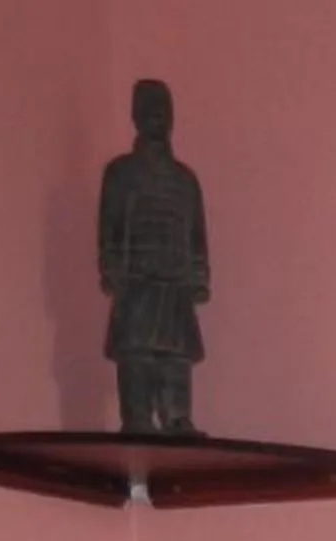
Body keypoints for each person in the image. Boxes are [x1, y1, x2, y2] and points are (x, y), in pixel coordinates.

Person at [99, 79, 208, 435]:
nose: (158, 116)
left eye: (163, 108)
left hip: (174, 281)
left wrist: (198, 275)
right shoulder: (121, 173)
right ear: (136, 115)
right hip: (137, 279)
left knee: (176, 357)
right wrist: (112, 266)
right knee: (137, 353)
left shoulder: (185, 180)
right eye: (149, 107)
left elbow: (196, 233)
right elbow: (110, 224)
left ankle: (178, 417)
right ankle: (138, 418)